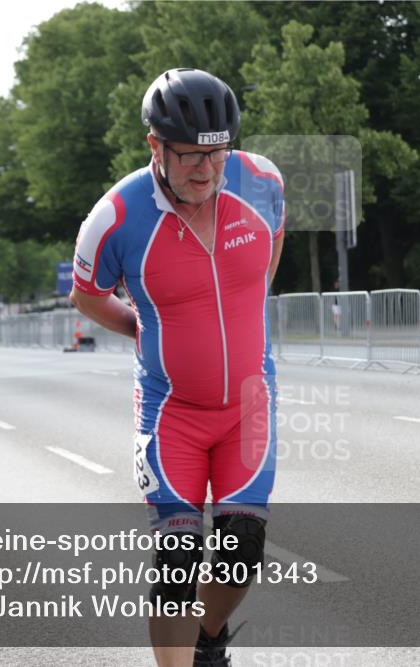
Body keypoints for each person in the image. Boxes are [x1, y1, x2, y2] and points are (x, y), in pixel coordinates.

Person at [69, 68, 285, 667]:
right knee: (179, 557)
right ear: (155, 147)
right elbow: (85, 296)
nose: (206, 171)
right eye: (189, 156)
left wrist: (245, 310)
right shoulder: (115, 216)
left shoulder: (263, 182)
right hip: (173, 415)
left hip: (247, 404)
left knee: (243, 547)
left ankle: (208, 638)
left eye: (217, 155)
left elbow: (272, 245)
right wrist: (141, 328)